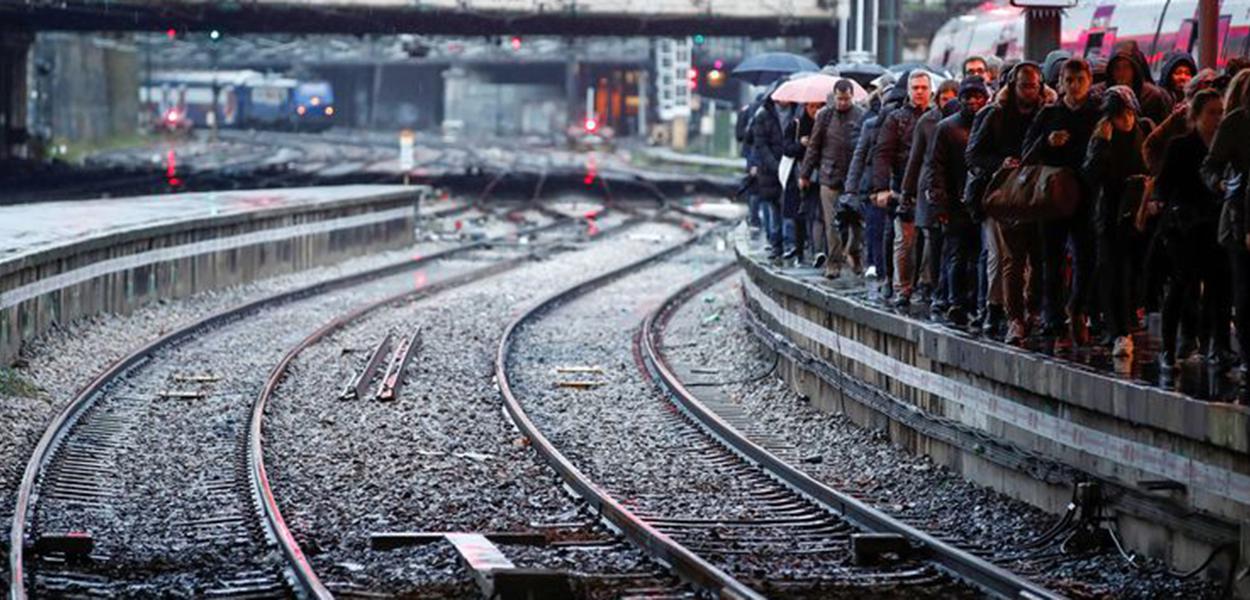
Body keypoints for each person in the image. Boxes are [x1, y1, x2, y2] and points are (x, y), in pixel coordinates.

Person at [1023, 57, 1102, 346]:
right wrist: (1047, 142)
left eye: (1080, 80)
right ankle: (1052, 315)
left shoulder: (1097, 114)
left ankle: (1080, 308)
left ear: (1089, 82)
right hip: (1054, 196)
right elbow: (1027, 152)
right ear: (1060, 83)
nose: (1075, 86)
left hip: (1086, 194)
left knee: (1086, 256)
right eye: (1069, 80)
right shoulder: (1049, 114)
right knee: (1051, 258)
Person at [967, 61, 1046, 338]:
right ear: (1014, 86)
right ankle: (1003, 310)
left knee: (1036, 256)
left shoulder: (1046, 113)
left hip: (1035, 192)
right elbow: (973, 155)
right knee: (1005, 256)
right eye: (1024, 86)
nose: (1029, 92)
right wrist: (1000, 163)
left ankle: (1030, 309)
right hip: (1001, 193)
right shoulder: (995, 115)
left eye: (1034, 86)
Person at [1155, 90, 1230, 376]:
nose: (1217, 118)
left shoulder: (1224, 147)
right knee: (1181, 284)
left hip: (1215, 224)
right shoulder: (1181, 146)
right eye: (1211, 112)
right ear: (1196, 116)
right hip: (1184, 226)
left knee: (1217, 286)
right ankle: (1168, 347)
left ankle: (1213, 344)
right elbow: (1165, 185)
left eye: (1220, 112)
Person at [1084, 86, 1152, 358]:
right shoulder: (1102, 136)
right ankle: (1118, 330)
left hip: (1138, 209)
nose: (1124, 119)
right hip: (1111, 212)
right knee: (1113, 270)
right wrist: (1102, 144)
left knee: (1132, 270)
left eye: (1127, 113)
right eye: (1118, 115)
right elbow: (1091, 174)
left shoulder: (1144, 130)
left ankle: (1121, 320)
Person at [1201, 69, 1250, 405]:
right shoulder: (1236, 124)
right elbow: (1211, 166)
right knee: (1244, 293)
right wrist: (1222, 185)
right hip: (1239, 219)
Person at [928, 76, 989, 326]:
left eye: (977, 97)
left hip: (982, 200)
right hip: (955, 201)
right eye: (968, 97)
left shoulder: (989, 123)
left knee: (978, 255)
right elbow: (936, 167)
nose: (973, 102)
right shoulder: (947, 128)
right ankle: (956, 301)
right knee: (957, 254)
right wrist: (940, 202)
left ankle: (976, 302)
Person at [872, 70, 934, 307]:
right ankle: (902, 286)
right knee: (904, 240)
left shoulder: (936, 118)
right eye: (915, 88)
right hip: (903, 187)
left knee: (928, 241)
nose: (919, 92)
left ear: (930, 91)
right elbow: (882, 153)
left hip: (930, 186)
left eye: (923, 88)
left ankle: (924, 285)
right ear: (908, 90)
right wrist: (881, 187)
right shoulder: (896, 119)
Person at [904, 79, 959, 310]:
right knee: (934, 241)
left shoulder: (962, 121)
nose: (948, 104)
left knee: (952, 245)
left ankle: (948, 292)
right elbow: (916, 158)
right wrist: (907, 191)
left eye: (952, 99)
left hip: (954, 187)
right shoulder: (927, 121)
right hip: (931, 186)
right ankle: (935, 288)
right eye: (944, 99)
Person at [800, 79, 864, 278]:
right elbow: (814, 146)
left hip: (853, 177)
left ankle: (854, 251)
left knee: (856, 221)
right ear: (834, 97)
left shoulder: (860, 116)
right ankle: (834, 263)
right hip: (829, 176)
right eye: (839, 99)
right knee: (831, 223)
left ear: (852, 97)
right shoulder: (825, 116)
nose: (843, 103)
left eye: (846, 99)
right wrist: (805, 173)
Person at [849, 83, 906, 285]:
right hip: (875, 185)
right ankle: (879, 267)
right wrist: (851, 188)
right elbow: (860, 155)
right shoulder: (871, 124)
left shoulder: (907, 123)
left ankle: (890, 273)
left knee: (894, 232)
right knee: (877, 227)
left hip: (898, 184)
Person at [780, 101, 821, 265]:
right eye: (812, 107)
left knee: (815, 214)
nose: (815, 110)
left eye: (818, 107)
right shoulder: (796, 124)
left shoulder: (824, 123)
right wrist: (801, 145)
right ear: (806, 107)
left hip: (818, 175)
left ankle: (815, 250)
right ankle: (799, 251)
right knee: (799, 215)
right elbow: (786, 149)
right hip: (798, 176)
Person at [1092, 46, 1172, 126]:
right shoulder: (1098, 93)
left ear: (1134, 69)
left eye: (1126, 67)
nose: (1121, 73)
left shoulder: (1151, 95)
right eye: (1117, 68)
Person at [749, 92, 787, 260]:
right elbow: (759, 143)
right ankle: (776, 243)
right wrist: (774, 165)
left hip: (788, 166)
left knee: (787, 208)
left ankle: (788, 243)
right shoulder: (763, 115)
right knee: (774, 207)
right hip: (769, 170)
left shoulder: (797, 112)